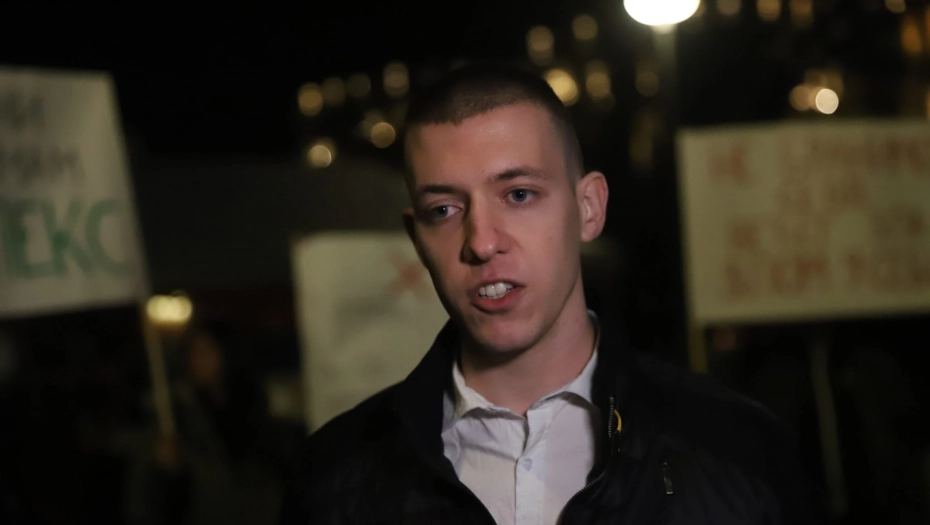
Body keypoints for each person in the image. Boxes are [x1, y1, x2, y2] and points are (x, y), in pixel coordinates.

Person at [281, 63, 822, 524]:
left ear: (589, 208)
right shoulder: (333, 480)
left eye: (519, 194)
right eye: (443, 210)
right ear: (417, 238)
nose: (482, 242)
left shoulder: (741, 451)